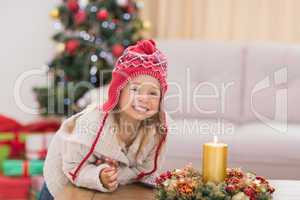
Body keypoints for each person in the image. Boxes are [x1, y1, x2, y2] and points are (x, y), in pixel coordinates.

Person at [40, 39, 173, 199]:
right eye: (135, 89)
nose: (143, 99)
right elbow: (73, 167)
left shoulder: (158, 128)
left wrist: (115, 175)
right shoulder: (92, 123)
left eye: (152, 93)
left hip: (107, 187)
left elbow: (147, 169)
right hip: (63, 181)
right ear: (119, 90)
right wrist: (99, 175)